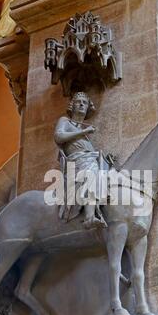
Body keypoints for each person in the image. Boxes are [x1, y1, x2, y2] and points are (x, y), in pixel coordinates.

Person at [54, 92, 107, 228]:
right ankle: (89, 217)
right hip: (76, 161)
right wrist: (83, 132)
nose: (82, 104)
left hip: (88, 158)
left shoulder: (83, 129)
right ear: (72, 105)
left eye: (85, 102)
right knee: (92, 171)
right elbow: (59, 137)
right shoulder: (65, 121)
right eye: (78, 101)